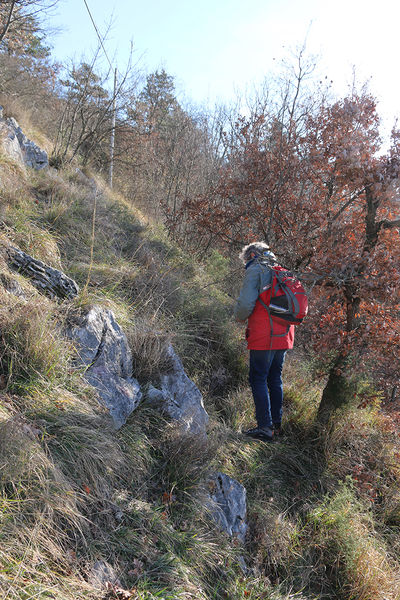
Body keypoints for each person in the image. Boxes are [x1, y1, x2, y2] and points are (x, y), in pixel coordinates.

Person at [234, 242, 294, 441]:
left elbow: (245, 303)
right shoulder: (282, 270)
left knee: (258, 378)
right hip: (284, 334)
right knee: (274, 378)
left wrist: (239, 317)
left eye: (246, 260)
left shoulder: (257, 269)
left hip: (264, 335)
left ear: (252, 254)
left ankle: (264, 428)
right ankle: (276, 426)